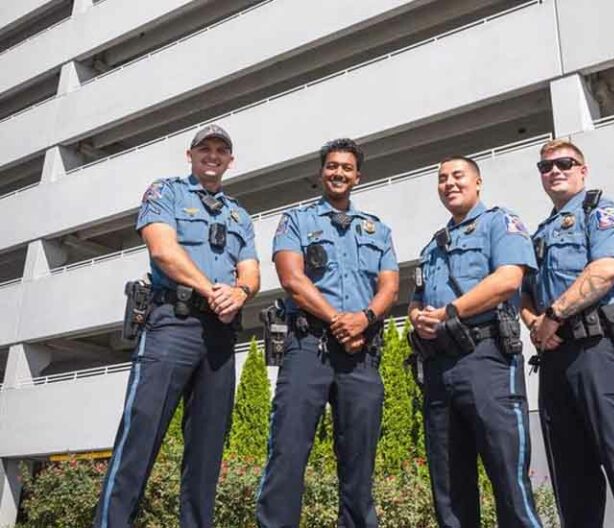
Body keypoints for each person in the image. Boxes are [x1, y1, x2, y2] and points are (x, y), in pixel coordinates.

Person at [94, 124, 260, 528]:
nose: (213, 155)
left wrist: (239, 294)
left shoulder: (240, 214)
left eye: (222, 150)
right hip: (172, 324)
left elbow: (251, 272)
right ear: (191, 155)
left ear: (230, 161)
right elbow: (163, 251)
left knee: (207, 452)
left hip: (219, 335)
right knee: (140, 437)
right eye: (205, 148)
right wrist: (211, 289)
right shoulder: (165, 192)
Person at [256, 138, 399, 528]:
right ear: (321, 172)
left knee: (359, 458)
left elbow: (390, 286)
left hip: (360, 352)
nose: (338, 172)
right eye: (332, 166)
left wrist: (365, 318)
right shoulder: (297, 221)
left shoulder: (378, 230)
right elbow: (292, 278)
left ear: (358, 176)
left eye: (346, 168)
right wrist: (340, 319)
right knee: (288, 450)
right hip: (309, 347)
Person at [521, 138, 614, 528]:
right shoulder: (539, 233)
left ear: (583, 170)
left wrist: (551, 314)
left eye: (564, 163)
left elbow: (605, 271)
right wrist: (536, 324)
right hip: (555, 356)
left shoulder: (601, 211)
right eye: (545, 167)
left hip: (603, 349)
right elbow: (523, 293)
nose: (555, 171)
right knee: (570, 472)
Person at [407, 156, 542, 528]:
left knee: (508, 478)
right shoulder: (432, 246)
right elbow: (417, 300)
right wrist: (417, 317)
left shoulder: (500, 222)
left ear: (478, 182)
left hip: (487, 360)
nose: (449, 183)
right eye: (442, 178)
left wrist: (450, 311)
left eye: (458, 176)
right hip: (439, 367)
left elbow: (508, 281)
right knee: (449, 488)